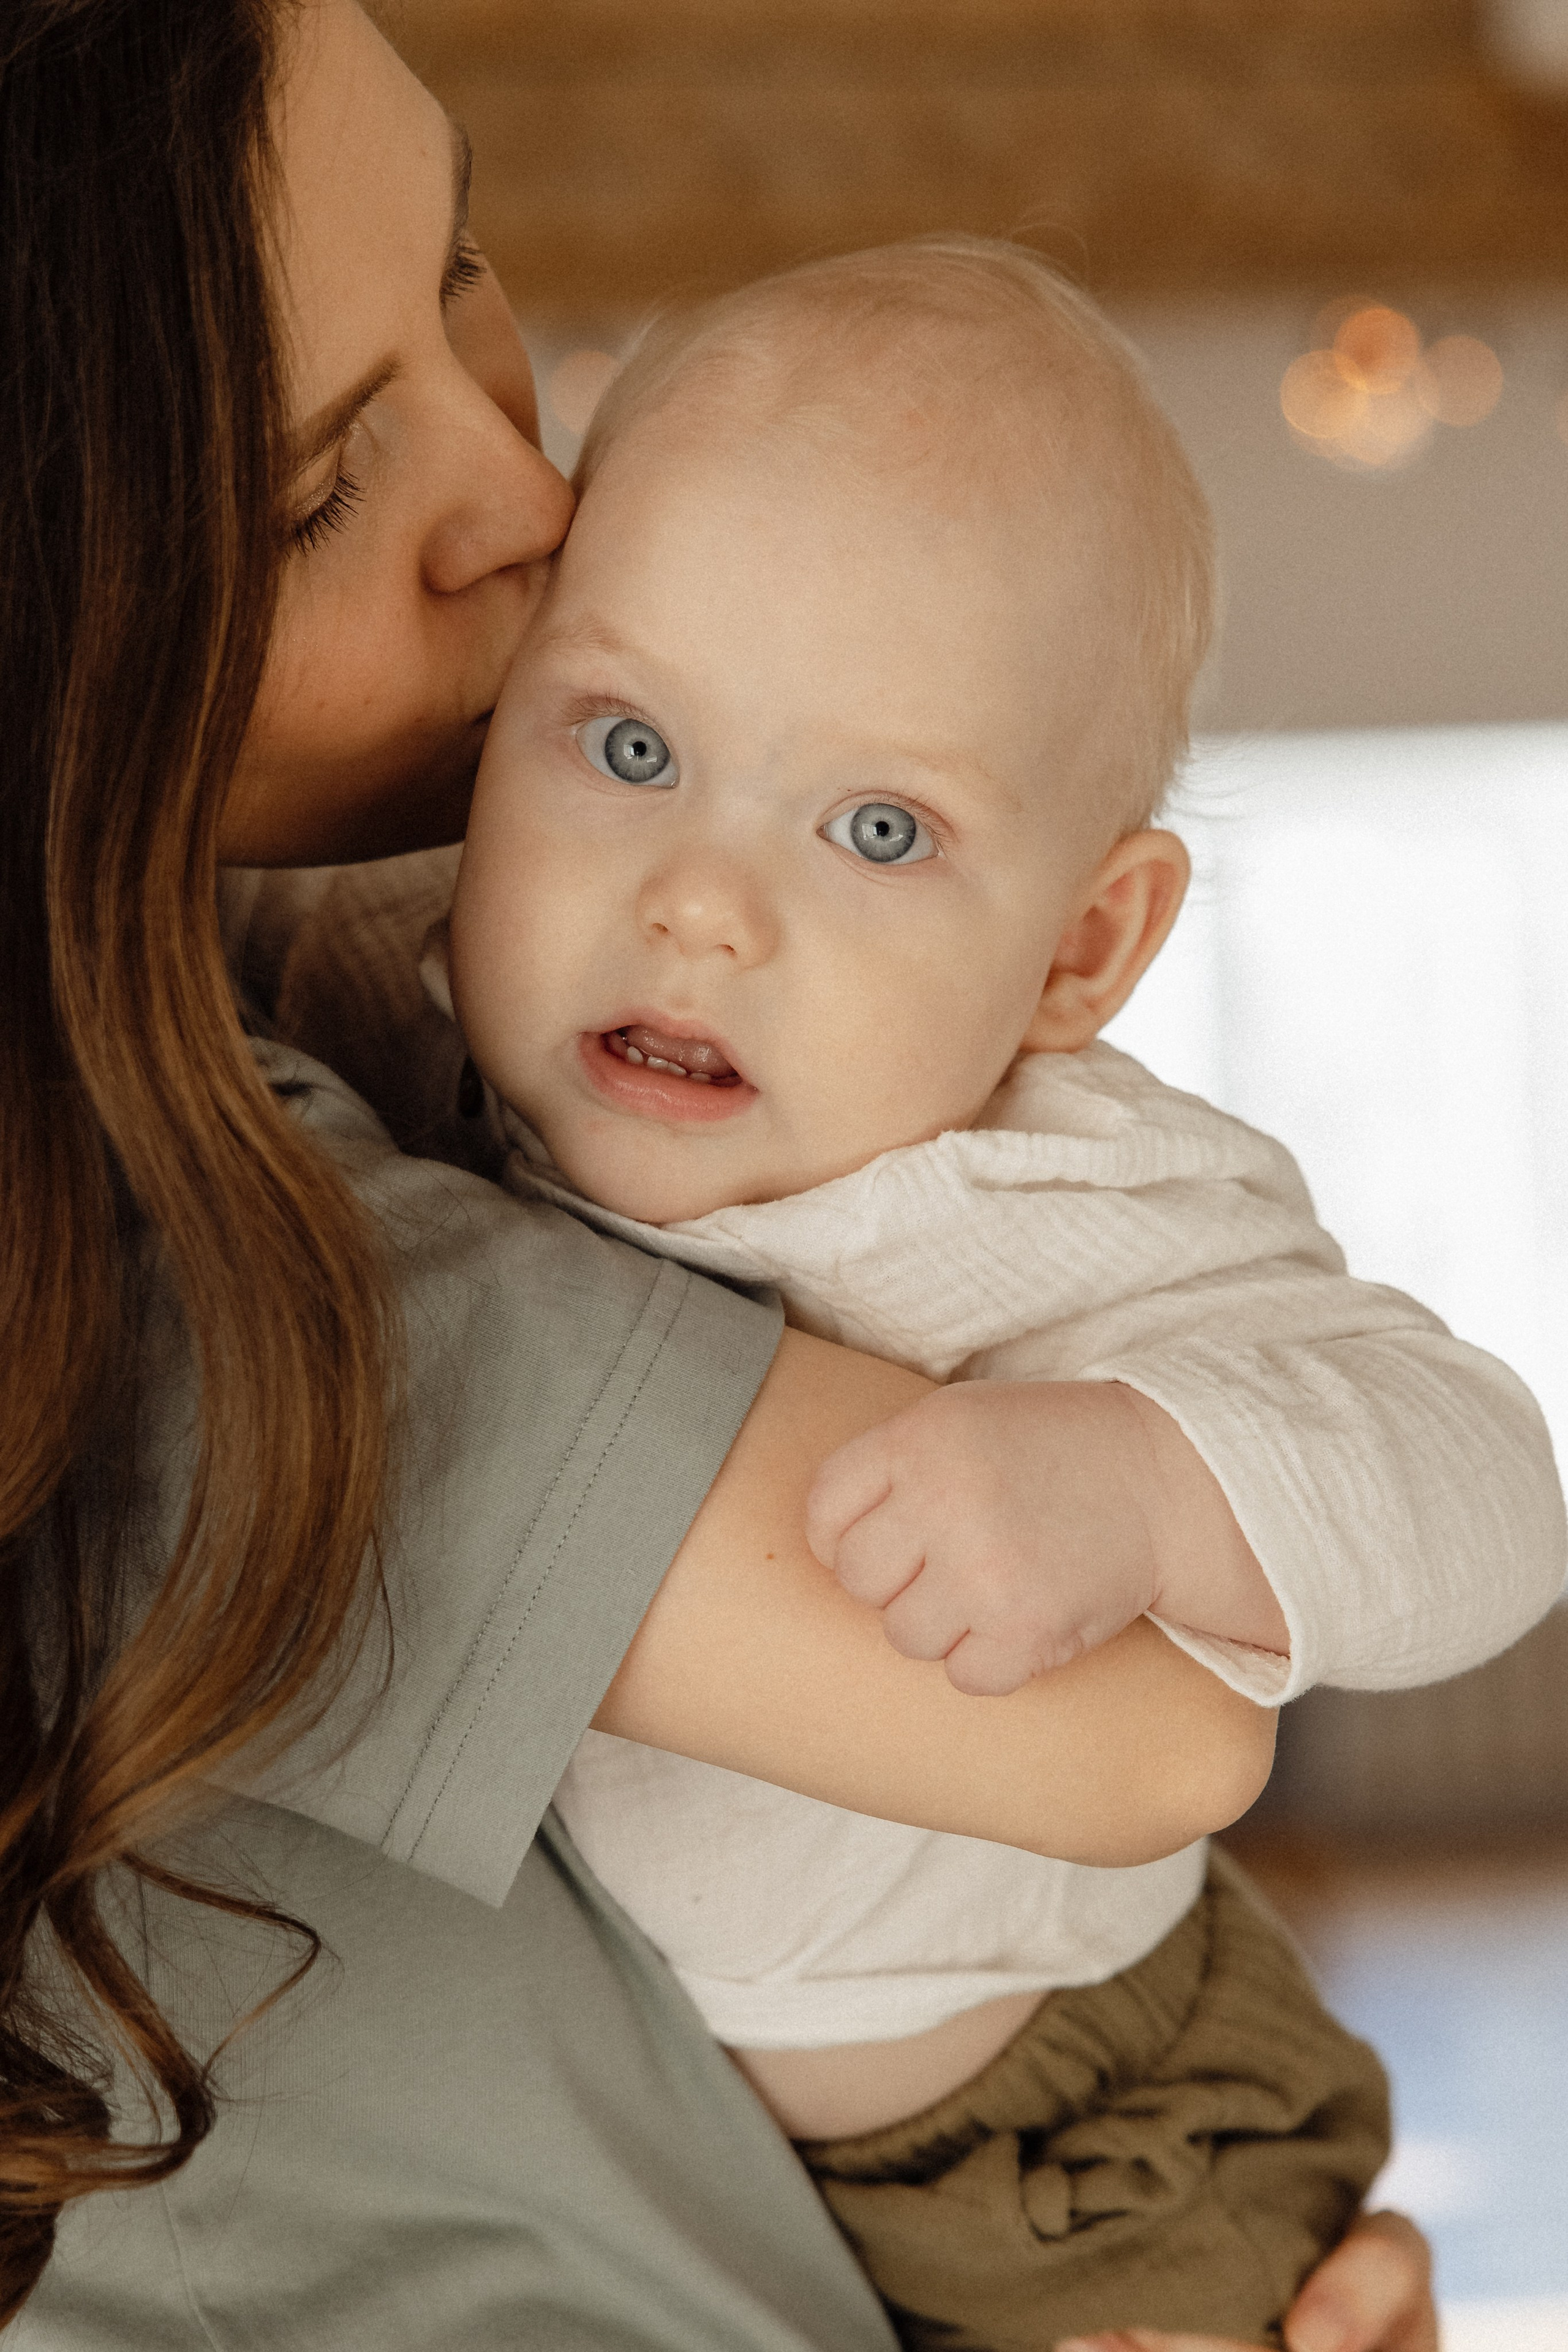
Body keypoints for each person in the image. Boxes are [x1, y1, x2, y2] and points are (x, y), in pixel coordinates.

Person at [0, 0, 1464, 2345]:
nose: (527, 498)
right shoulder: (163, 1216)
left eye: (466, 266)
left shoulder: (394, 1009)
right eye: (316, 484)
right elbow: (1151, 1732)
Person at [371, 235, 1548, 2346]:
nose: (705, 904)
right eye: (626, 748)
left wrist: (1145, 1483)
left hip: (1075, 2141)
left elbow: (1486, 1485)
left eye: (881, 831)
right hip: (655, 2169)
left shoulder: (1050, 1187)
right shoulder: (405, 1086)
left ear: (1084, 952)